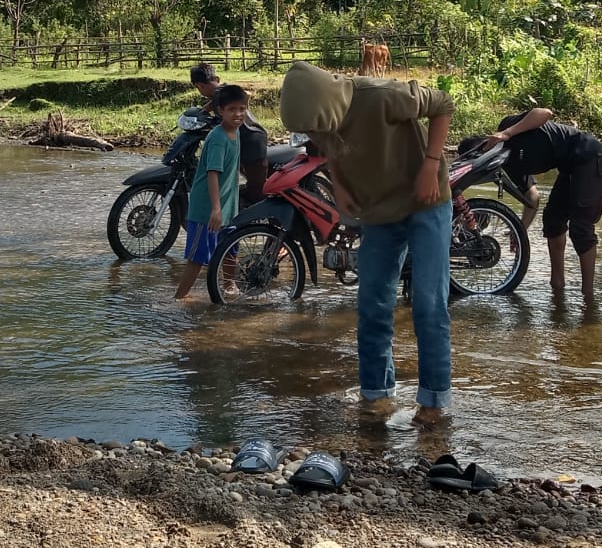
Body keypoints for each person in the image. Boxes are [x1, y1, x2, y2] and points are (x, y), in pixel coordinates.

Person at [278, 59, 453, 426]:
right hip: (378, 212)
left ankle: (434, 404)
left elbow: (443, 103)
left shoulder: (382, 96)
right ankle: (375, 398)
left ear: (327, 105)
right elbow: (325, 148)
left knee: (428, 303)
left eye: (313, 125)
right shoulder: (318, 118)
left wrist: (429, 165)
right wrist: (340, 187)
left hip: (426, 201)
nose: (312, 131)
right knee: (372, 304)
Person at [480, 107, 602, 300]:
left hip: (589, 154)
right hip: (568, 167)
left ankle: (588, 294)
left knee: (581, 228)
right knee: (552, 221)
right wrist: (519, 231)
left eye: (483, 147)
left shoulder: (508, 127)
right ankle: (557, 285)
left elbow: (546, 113)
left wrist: (506, 133)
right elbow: (532, 198)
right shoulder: (509, 165)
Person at [175, 83, 248, 300]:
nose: (238, 114)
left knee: (231, 248)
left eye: (242, 109)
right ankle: (179, 298)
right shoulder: (218, 138)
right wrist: (215, 209)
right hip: (207, 208)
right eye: (232, 109)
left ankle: (229, 287)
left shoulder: (235, 132)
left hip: (226, 205)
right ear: (220, 111)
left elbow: (233, 167)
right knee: (198, 257)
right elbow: (212, 174)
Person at [189, 61, 269, 202]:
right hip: (243, 141)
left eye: (199, 89)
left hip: (251, 142)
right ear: (217, 79)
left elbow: (246, 93)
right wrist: (203, 111)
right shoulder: (221, 93)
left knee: (257, 192)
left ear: (199, 86)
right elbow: (213, 104)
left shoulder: (221, 93)